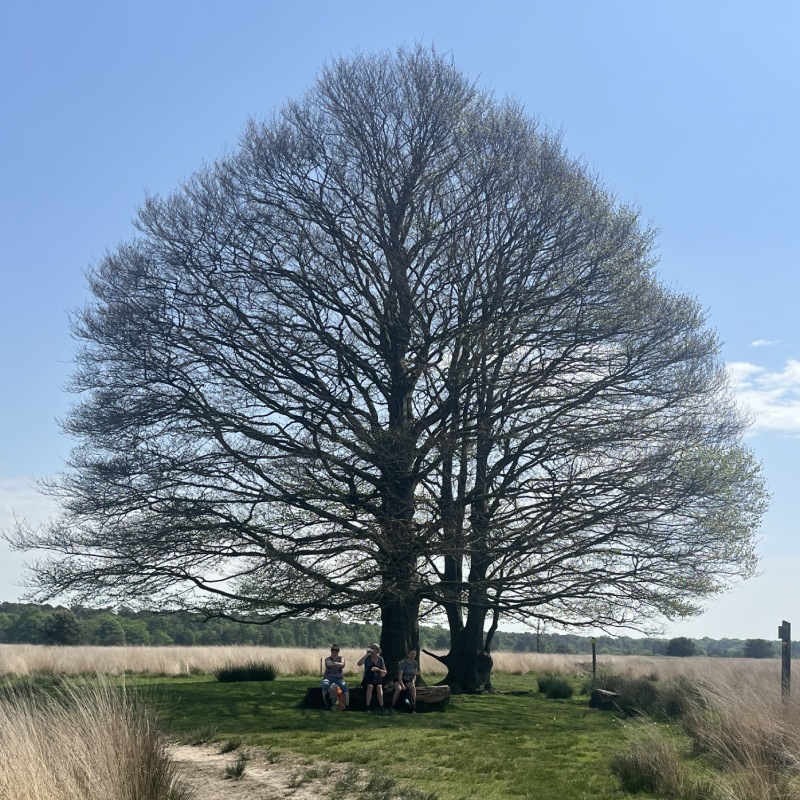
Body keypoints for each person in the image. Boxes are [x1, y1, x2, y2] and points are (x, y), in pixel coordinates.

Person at [357, 642, 387, 711]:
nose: (372, 650)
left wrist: (378, 669)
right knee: (370, 687)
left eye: (374, 649)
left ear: (377, 651)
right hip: (368, 679)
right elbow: (359, 664)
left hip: (377, 679)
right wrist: (366, 655)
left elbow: (385, 671)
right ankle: (367, 706)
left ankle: (381, 706)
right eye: (371, 649)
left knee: (379, 687)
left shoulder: (380, 659)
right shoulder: (367, 658)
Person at [320, 644, 349, 710]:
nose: (334, 652)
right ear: (331, 651)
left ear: (338, 651)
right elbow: (328, 663)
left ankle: (347, 706)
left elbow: (342, 665)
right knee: (325, 684)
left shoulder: (341, 658)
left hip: (338, 678)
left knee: (344, 686)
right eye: (333, 650)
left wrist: (334, 663)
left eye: (336, 650)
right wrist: (337, 664)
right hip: (328, 678)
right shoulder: (327, 659)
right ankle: (327, 705)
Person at [391, 648, 418, 713]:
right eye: (411, 654)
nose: (412, 655)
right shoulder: (403, 663)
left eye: (413, 654)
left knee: (413, 687)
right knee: (399, 689)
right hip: (399, 679)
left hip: (407, 680)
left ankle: (413, 706)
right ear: (408, 654)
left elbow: (414, 675)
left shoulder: (415, 663)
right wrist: (402, 685)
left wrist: (413, 682)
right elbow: (400, 676)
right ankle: (393, 706)